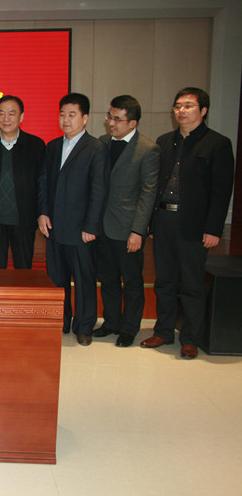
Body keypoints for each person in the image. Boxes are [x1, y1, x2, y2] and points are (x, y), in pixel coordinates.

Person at [141, 87, 235, 359]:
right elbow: (155, 185)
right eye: (178, 106)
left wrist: (213, 228)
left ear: (203, 111)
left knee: (192, 283)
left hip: (193, 223)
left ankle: (190, 338)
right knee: (164, 280)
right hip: (164, 219)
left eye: (188, 106)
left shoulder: (217, 143)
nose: (181, 111)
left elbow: (221, 191)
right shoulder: (165, 141)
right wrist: (151, 222)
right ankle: (164, 331)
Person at [38, 93, 109, 345]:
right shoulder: (53, 146)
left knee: (83, 280)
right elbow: (44, 182)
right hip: (54, 227)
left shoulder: (96, 148)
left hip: (81, 230)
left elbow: (99, 190)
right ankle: (61, 321)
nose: (65, 120)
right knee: (57, 280)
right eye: (62, 114)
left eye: (72, 114)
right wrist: (42, 212)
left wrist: (91, 226)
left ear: (85, 118)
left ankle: (84, 326)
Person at [93, 95, 159, 347]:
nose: (111, 123)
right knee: (108, 279)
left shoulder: (147, 149)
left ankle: (129, 328)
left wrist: (137, 231)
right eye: (110, 117)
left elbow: (148, 194)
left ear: (133, 123)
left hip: (128, 228)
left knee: (131, 281)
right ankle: (111, 322)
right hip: (102, 226)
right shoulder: (102, 143)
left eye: (118, 119)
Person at [0, 95, 46, 269]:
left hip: (24, 219)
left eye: (12, 113)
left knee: (23, 270)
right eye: (1, 113)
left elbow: (41, 182)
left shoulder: (36, 145)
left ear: (21, 117)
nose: (6, 118)